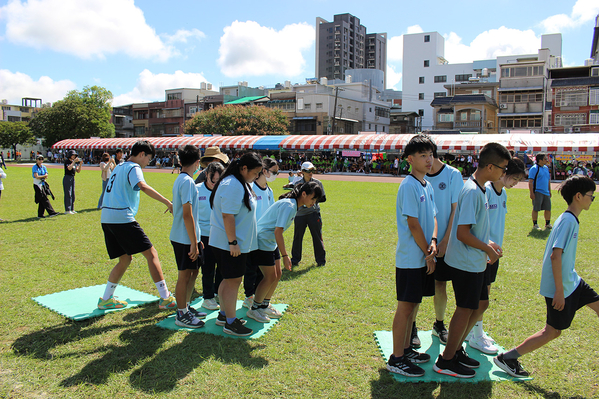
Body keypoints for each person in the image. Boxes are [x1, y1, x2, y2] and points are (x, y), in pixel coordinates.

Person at [494, 175, 599, 378]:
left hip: (573, 282)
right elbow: (555, 256)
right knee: (552, 331)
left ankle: (508, 358)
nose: (592, 199)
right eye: (590, 196)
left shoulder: (570, 219)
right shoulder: (568, 221)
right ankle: (507, 358)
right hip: (561, 287)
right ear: (578, 196)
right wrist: (559, 291)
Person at [433, 142, 510, 379]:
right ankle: (446, 360)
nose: (503, 174)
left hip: (474, 260)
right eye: (502, 169)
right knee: (464, 310)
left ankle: (455, 351)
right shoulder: (472, 191)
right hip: (466, 262)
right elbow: (463, 233)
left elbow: (475, 229)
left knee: (471, 308)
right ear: (489, 166)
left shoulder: (482, 189)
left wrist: (489, 243)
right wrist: (487, 248)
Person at [97, 140, 176, 310]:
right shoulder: (134, 167)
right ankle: (166, 298)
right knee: (152, 254)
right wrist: (167, 202)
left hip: (107, 218)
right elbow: (142, 186)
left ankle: (106, 299)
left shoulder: (119, 166)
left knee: (125, 259)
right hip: (121, 218)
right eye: (148, 158)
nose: (148, 162)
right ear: (142, 154)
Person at [387, 135, 437, 377]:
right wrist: (428, 252)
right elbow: (414, 224)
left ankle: (406, 349)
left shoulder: (426, 184)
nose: (429, 160)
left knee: (414, 305)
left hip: (423, 255)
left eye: (431, 155)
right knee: (405, 308)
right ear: (410, 159)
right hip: (410, 258)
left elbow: (434, 218)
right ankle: (396, 358)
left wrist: (434, 243)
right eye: (423, 156)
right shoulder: (408, 185)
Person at [466, 157, 527, 354]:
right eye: (514, 178)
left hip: (494, 254)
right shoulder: (487, 191)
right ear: (504, 172)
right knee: (481, 297)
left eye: (518, 180)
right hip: (482, 252)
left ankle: (473, 331)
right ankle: (476, 334)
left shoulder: (503, 195)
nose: (516, 183)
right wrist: (486, 247)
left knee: (485, 293)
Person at [247, 181, 323, 324]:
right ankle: (255, 309)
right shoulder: (289, 205)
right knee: (269, 277)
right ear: (304, 194)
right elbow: (278, 231)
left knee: (278, 274)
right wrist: (285, 256)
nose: (314, 202)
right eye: (312, 198)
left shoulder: (294, 205)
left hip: (270, 241)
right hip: (262, 240)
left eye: (316, 200)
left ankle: (264, 304)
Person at [209, 152, 263, 336]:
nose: (256, 177)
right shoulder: (233, 184)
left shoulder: (238, 182)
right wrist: (233, 242)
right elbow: (227, 215)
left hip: (229, 242)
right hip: (229, 243)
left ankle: (224, 316)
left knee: (228, 279)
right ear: (244, 168)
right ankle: (230, 322)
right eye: (255, 173)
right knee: (233, 281)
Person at [421, 145, 464, 347]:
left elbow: (456, 210)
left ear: (432, 154)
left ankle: (439, 324)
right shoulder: (417, 176)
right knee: (417, 286)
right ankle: (411, 327)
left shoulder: (453, 175)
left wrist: (446, 240)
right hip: (423, 242)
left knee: (440, 284)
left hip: (445, 241)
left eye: (425, 155)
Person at [170, 145, 207, 328]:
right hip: (184, 238)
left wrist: (197, 239)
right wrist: (193, 242)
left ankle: (185, 306)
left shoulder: (183, 179)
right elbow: (187, 214)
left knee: (194, 271)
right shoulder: (187, 182)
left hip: (189, 236)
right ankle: (181, 313)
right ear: (197, 162)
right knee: (184, 275)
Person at [243, 158, 279, 310]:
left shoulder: (269, 191)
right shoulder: (250, 188)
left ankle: (260, 298)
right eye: (274, 172)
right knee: (251, 269)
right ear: (264, 171)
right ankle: (249, 297)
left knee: (264, 272)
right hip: (252, 236)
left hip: (266, 237)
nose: (276, 175)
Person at [196, 162, 225, 311]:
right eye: (213, 180)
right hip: (204, 235)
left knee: (221, 267)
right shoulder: (197, 190)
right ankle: (207, 297)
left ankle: (217, 292)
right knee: (207, 269)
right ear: (206, 175)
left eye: (218, 181)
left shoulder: (224, 190)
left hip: (220, 233)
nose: (215, 184)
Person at [290, 162, 327, 267]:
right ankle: (295, 259)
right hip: (300, 214)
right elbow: (294, 198)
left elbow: (323, 198)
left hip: (313, 213)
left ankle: (321, 260)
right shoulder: (297, 184)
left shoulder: (317, 183)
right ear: (302, 172)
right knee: (297, 238)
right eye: (307, 171)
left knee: (317, 237)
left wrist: (312, 200)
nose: (310, 173)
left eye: (312, 170)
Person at [528, 153, 552, 230]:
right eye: (545, 159)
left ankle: (547, 223)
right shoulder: (534, 168)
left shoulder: (546, 168)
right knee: (536, 208)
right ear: (540, 160)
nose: (547, 160)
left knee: (548, 208)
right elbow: (531, 181)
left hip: (546, 192)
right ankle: (535, 224)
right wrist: (531, 193)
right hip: (538, 191)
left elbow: (548, 180)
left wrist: (549, 191)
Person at [63, 150, 82, 214]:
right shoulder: (67, 162)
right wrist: (74, 162)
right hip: (67, 177)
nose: (74, 157)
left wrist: (80, 164)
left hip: (72, 178)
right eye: (73, 155)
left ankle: (72, 208)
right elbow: (69, 168)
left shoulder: (74, 163)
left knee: (72, 194)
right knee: (68, 194)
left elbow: (78, 171)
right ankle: (67, 209)